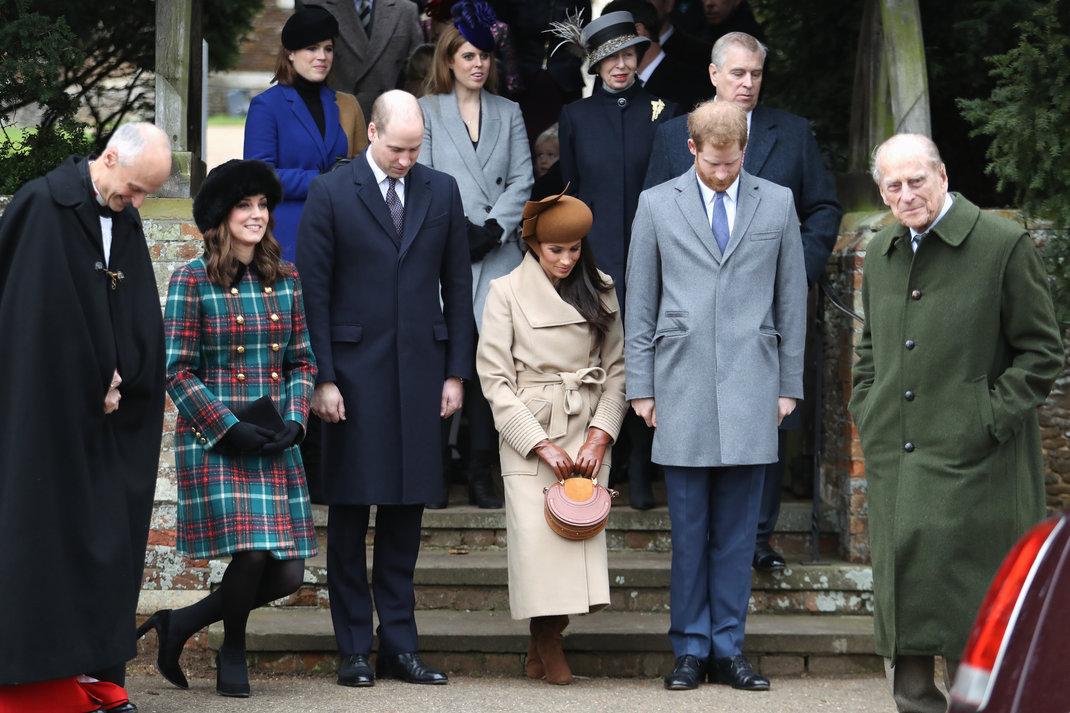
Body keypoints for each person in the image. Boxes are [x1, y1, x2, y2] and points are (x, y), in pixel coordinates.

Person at [850, 134, 1063, 713]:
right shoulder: (884, 249)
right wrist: (867, 406)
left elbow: (1041, 353)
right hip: (899, 454)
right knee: (909, 619)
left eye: (916, 179)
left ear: (942, 175)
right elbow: (870, 352)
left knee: (974, 618)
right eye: (893, 185)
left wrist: (987, 417)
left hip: (979, 465)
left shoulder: (1000, 244)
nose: (906, 194)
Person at [625, 100, 806, 691]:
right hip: (679, 385)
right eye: (714, 163)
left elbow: (792, 300)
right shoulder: (655, 204)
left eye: (733, 163)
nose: (725, 173)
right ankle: (689, 649)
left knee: (737, 534)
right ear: (693, 148)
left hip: (756, 385)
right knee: (689, 531)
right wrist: (641, 387)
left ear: (743, 151)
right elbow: (641, 301)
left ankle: (729, 648)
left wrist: (789, 385)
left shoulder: (777, 201)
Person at [644, 31, 842, 570]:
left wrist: (793, 266)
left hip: (765, 309)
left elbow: (824, 207)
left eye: (755, 74)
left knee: (766, 422)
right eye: (737, 73)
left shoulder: (793, 134)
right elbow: (655, 229)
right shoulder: (670, 138)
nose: (748, 83)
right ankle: (707, 544)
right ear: (713, 75)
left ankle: (757, 538)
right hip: (691, 316)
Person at [296, 90, 474, 687]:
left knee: (405, 516)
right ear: (371, 132)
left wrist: (455, 371)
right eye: (396, 148)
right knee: (349, 514)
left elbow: (459, 287)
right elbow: (312, 294)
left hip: (422, 371)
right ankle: (352, 647)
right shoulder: (329, 192)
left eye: (414, 148)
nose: (405, 159)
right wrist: (321, 377)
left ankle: (400, 644)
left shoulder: (441, 190)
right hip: (351, 375)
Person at [0, 122, 171, 713]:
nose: (138, 203)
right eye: (134, 188)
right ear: (108, 158)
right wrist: (88, 383)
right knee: (46, 541)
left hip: (111, 424)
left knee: (111, 538)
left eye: (148, 193)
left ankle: (101, 675)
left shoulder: (121, 216)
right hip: (47, 424)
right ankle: (38, 681)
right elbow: (30, 322)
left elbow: (137, 309)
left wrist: (127, 371)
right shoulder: (42, 207)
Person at [138, 160, 319, 699]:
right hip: (216, 437)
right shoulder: (191, 279)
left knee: (287, 574)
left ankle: (181, 622)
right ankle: (233, 649)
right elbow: (176, 369)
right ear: (221, 216)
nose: (258, 215)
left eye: (263, 205)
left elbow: (301, 362)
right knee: (254, 552)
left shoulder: (285, 277)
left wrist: (295, 418)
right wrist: (226, 427)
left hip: (271, 435)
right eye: (245, 205)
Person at [477, 188, 626, 685]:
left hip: (585, 422)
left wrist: (599, 436)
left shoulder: (601, 288)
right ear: (535, 246)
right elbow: (494, 379)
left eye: (575, 248)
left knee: (577, 535)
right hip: (530, 428)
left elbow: (617, 369)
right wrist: (537, 442)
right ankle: (548, 639)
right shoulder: (504, 291)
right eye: (556, 249)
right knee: (539, 543)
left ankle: (544, 644)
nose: (566, 259)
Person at [554, 9, 676, 510]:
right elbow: (571, 193)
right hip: (596, 256)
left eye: (628, 54)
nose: (621, 66)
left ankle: (644, 471)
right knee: (597, 361)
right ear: (595, 65)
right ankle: (596, 465)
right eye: (610, 58)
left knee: (647, 359)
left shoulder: (664, 111)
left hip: (656, 255)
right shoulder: (575, 118)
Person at [418, 0, 533, 509]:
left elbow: (525, 178)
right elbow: (418, 176)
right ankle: (436, 470)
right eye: (467, 55)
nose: (478, 64)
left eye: (485, 56)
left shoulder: (510, 113)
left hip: (498, 255)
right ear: (448, 60)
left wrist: (493, 227)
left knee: (493, 371)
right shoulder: (424, 111)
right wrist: (457, 229)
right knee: (443, 365)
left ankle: (482, 472)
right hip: (443, 255)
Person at [244, 5, 368, 262]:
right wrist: (323, 180)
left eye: (328, 48)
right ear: (290, 53)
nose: (322, 56)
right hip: (288, 236)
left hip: (340, 233)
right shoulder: (267, 106)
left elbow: (364, 168)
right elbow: (260, 176)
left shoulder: (346, 104)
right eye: (312, 48)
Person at [487, 0, 592, 147]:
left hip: (564, 81)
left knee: (564, 145)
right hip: (521, 80)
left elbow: (582, 34)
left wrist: (569, 63)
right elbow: (502, 32)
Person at [301, 0, 424, 117]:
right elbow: (303, 70)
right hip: (336, 120)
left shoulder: (406, 10)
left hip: (391, 122)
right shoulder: (316, 6)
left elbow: (419, 74)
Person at [604, 0, 708, 112]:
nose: (606, 46)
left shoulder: (694, 84)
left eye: (611, 35)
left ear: (638, 31)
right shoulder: (610, 81)